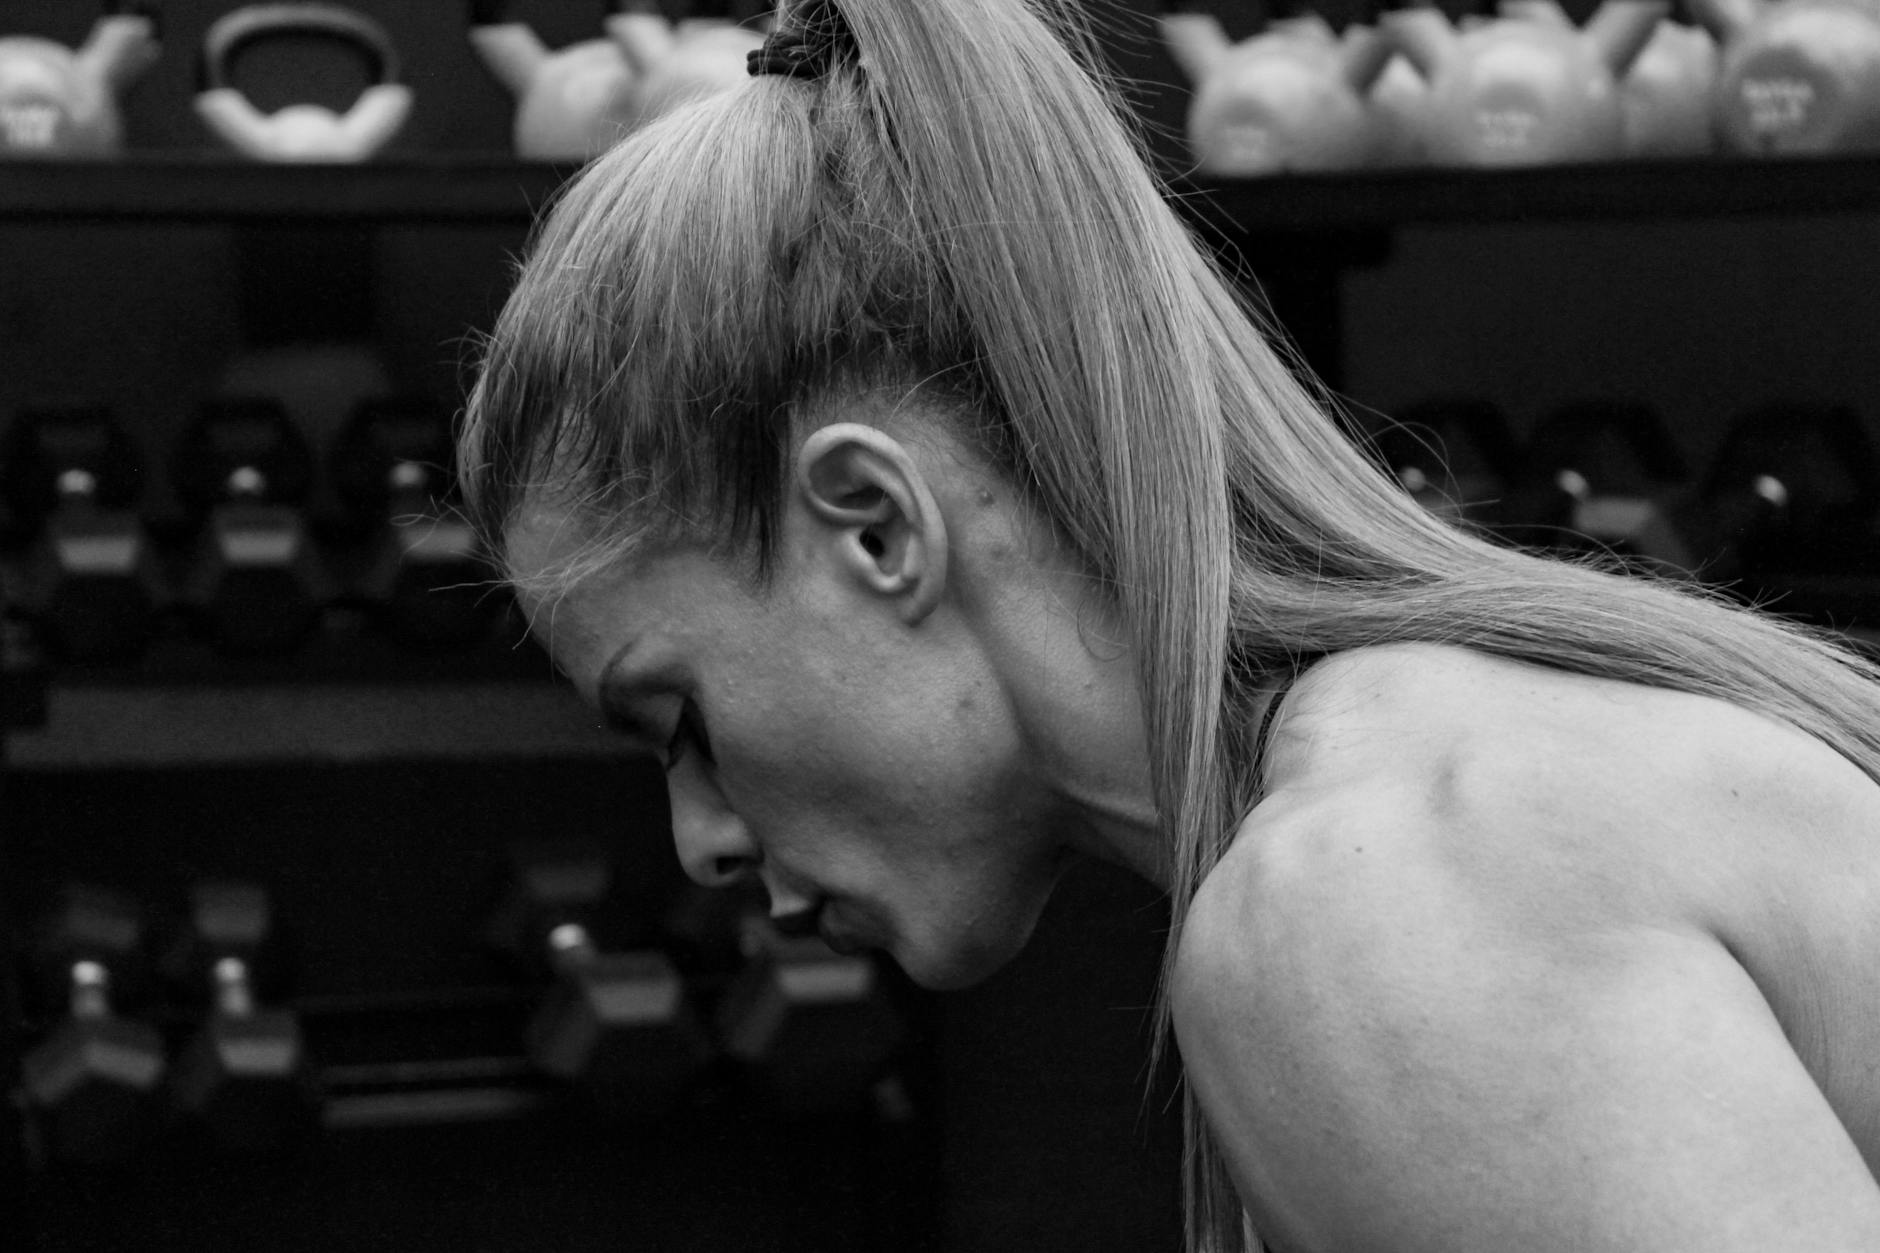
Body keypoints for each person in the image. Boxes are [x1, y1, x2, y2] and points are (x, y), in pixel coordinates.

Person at [457, 0, 1880, 1248]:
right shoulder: (1457, 770)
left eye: (678, 721)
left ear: (878, 529)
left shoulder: (1368, 904)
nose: (700, 836)